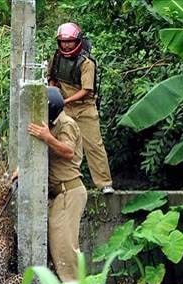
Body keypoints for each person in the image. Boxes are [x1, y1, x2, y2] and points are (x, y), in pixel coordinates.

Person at [13, 87, 87, 281]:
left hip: (68, 193)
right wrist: (23, 172)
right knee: (52, 247)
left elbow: (68, 152)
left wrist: (47, 137)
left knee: (64, 247)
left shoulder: (66, 124)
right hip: (56, 195)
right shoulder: (49, 125)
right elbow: (41, 155)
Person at [48, 22, 114, 195]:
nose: (66, 44)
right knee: (66, 146)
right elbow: (52, 78)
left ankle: (104, 183)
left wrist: (65, 100)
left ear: (77, 41)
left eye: (70, 41)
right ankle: (67, 183)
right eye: (63, 41)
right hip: (64, 107)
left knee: (94, 145)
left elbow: (86, 90)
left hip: (85, 108)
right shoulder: (56, 57)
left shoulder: (86, 62)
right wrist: (54, 94)